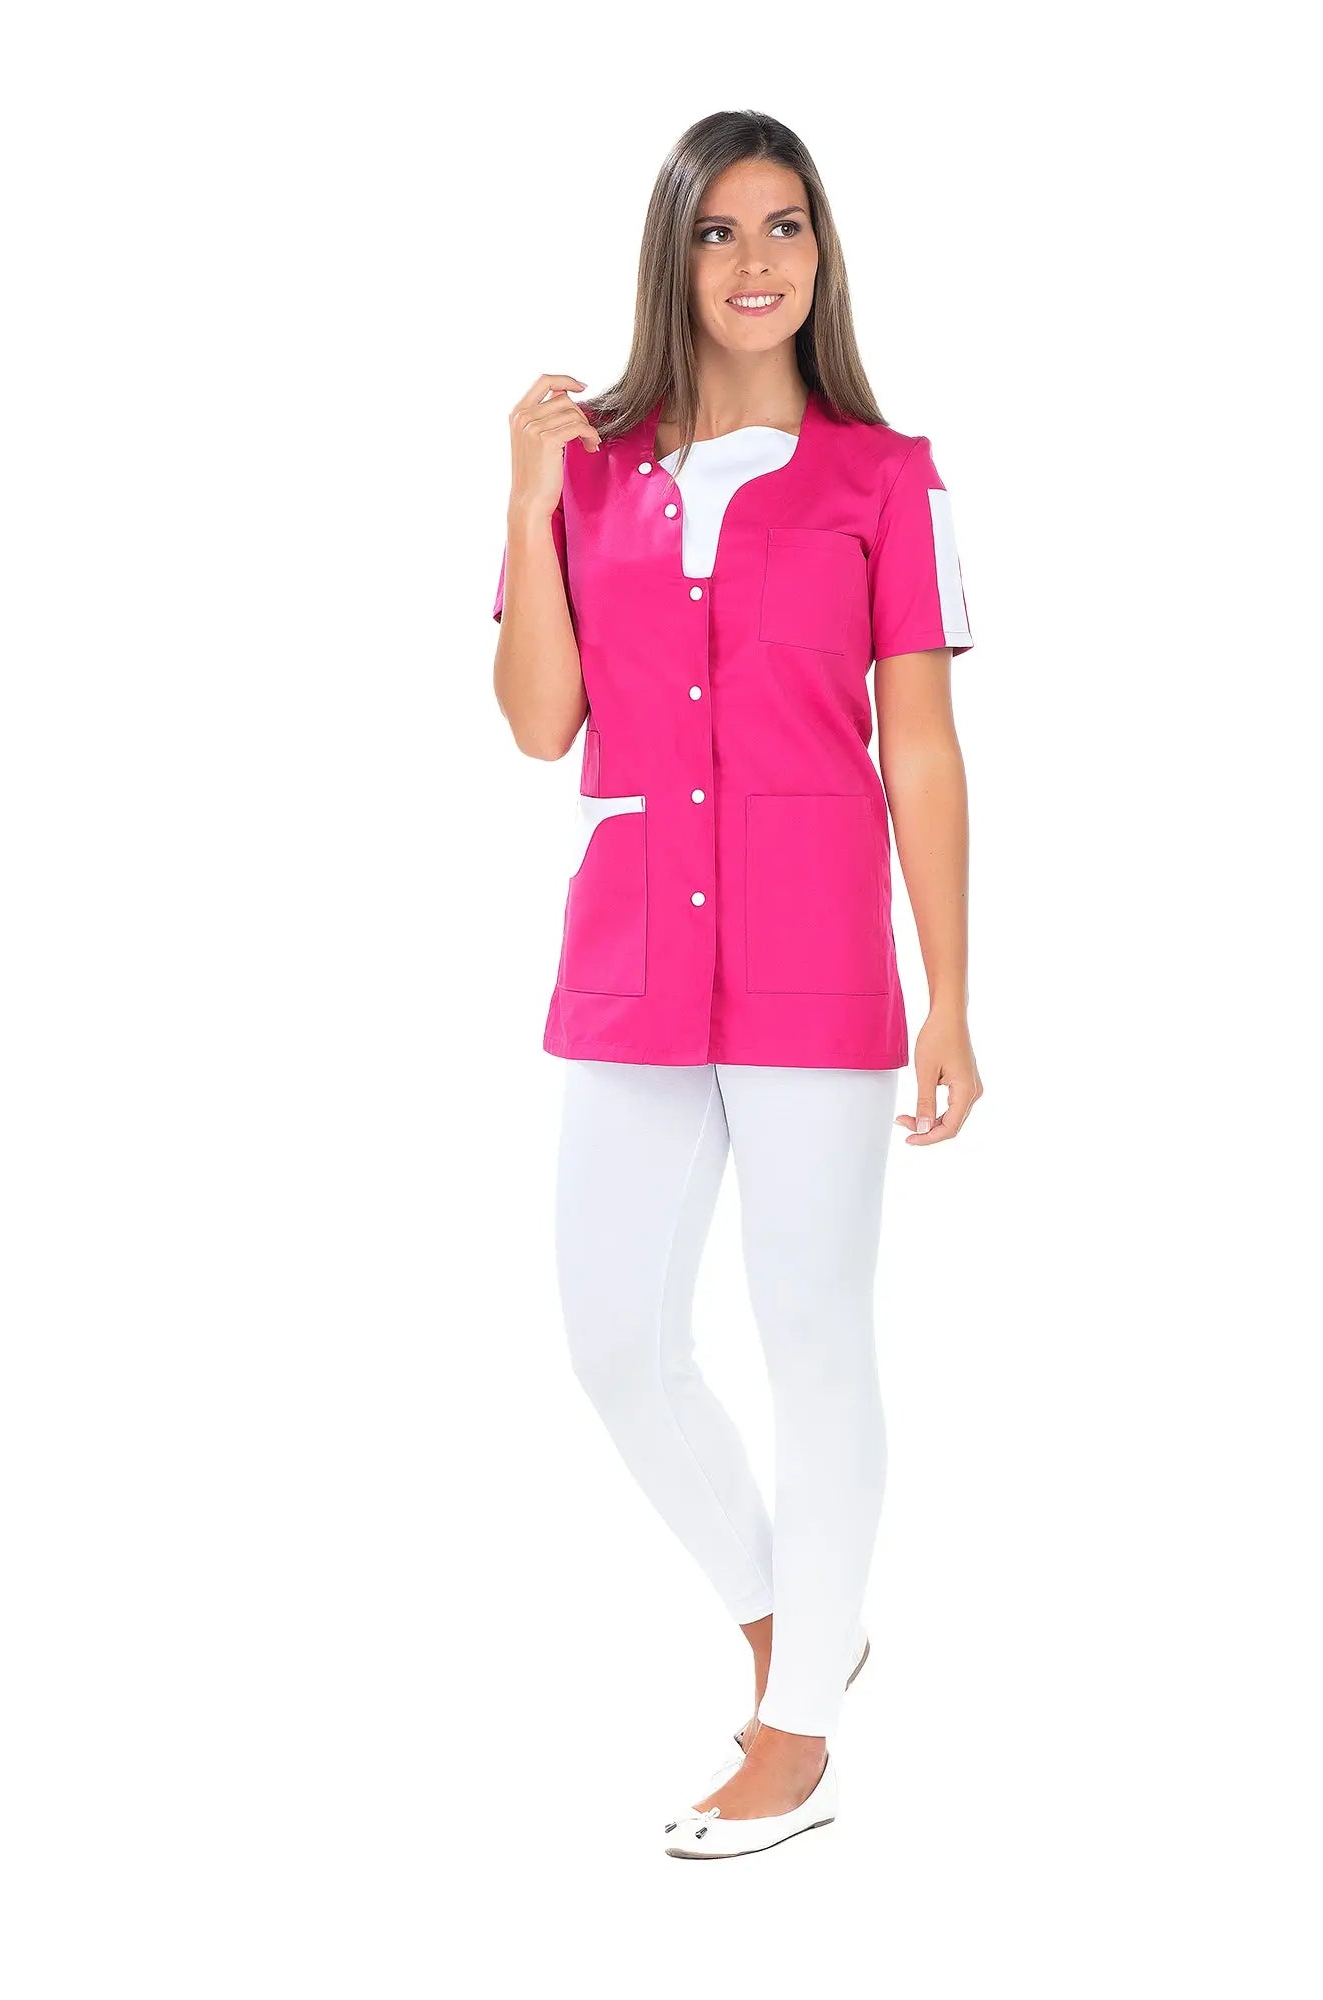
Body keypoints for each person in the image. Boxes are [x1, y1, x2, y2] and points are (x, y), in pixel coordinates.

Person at [490, 108, 983, 1859]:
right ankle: (801, 1631)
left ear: (822, 253)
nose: (756, 261)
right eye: (719, 231)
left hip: (813, 957)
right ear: (674, 256)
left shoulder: (887, 478)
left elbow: (921, 746)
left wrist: (950, 993)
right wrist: (527, 496)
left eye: (787, 227)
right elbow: (541, 721)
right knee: (614, 1336)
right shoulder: (593, 473)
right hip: (631, 955)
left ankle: (800, 1740)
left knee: (811, 1333)